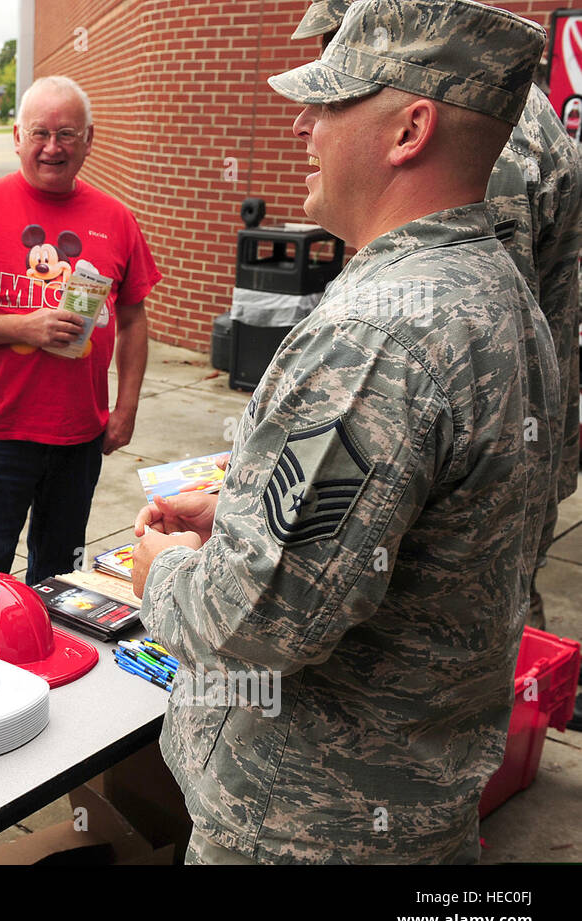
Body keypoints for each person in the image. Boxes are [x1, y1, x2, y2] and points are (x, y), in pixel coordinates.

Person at [132, 0, 558, 863]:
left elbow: (252, 622)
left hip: (306, 829)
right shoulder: (500, 292)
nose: (303, 126)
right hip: (420, 808)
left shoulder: (375, 333)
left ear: (410, 129)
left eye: (330, 103)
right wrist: (246, 511)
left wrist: (162, 574)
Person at [295, 0, 582, 702]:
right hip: (511, 439)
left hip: (478, 459)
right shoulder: (495, 106)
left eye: (342, 50)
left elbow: (454, 343)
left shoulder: (488, 134)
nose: (314, 116)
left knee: (438, 634)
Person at [0, 74, 161, 585]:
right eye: (40, 133)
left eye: (68, 134)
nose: (53, 147)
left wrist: (126, 409)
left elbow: (134, 317)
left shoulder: (116, 219)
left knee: (59, 576)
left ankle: (46, 662)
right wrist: (24, 326)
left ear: (90, 139)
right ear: (17, 138)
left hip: (79, 435)